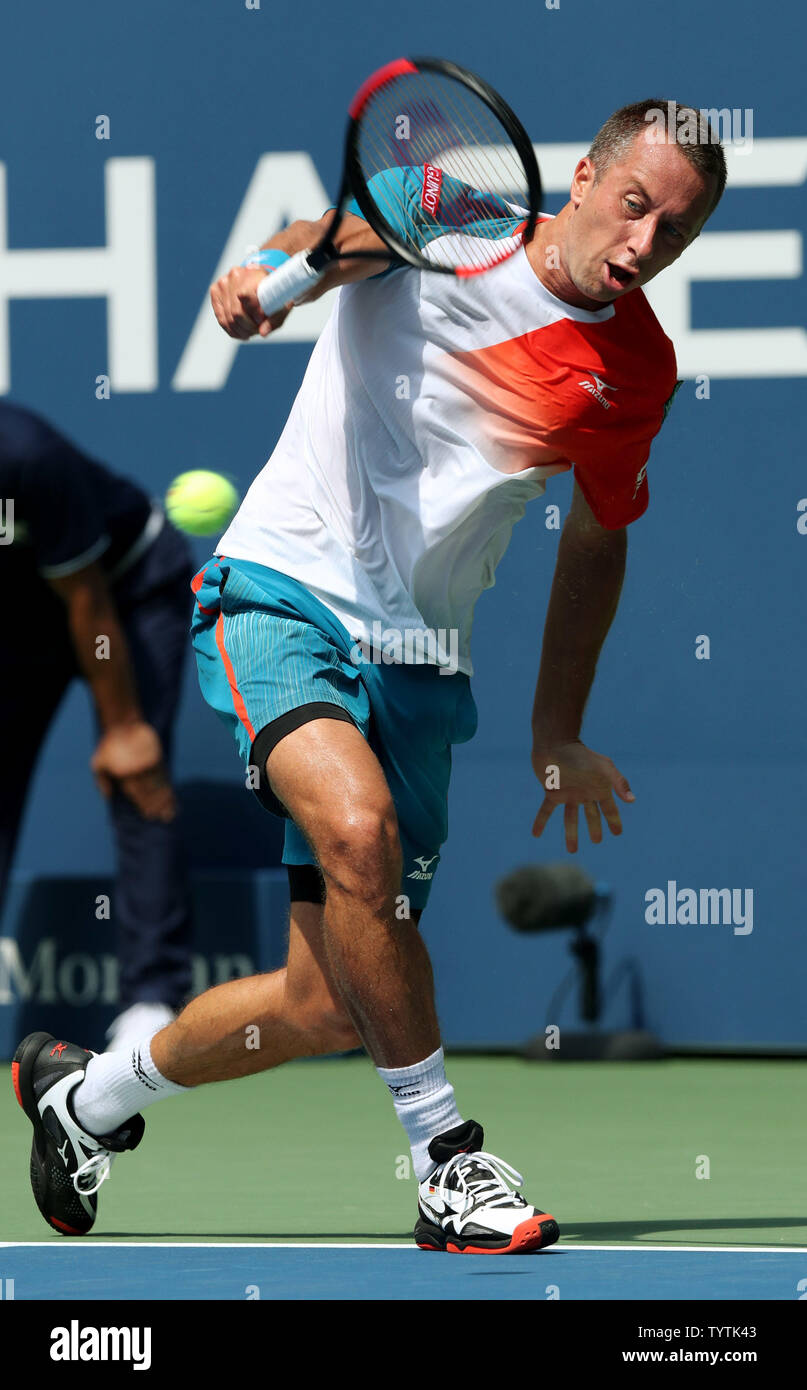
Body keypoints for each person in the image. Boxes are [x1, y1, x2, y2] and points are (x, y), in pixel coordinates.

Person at [13, 99, 726, 1252]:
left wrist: (559, 725)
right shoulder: (442, 216)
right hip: (282, 594)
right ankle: (449, 1162)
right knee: (359, 832)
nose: (644, 245)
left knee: (323, 1005)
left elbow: (600, 540)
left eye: (676, 233)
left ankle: (84, 1098)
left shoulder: (635, 369)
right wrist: (262, 278)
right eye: (636, 205)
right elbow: (323, 238)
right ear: (586, 177)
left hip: (423, 661)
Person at [0, 402, 194, 1053]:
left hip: (128, 587)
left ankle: (150, 1000)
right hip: (25, 610)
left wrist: (124, 726)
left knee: (135, 772)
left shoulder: (25, 454)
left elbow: (87, 598)